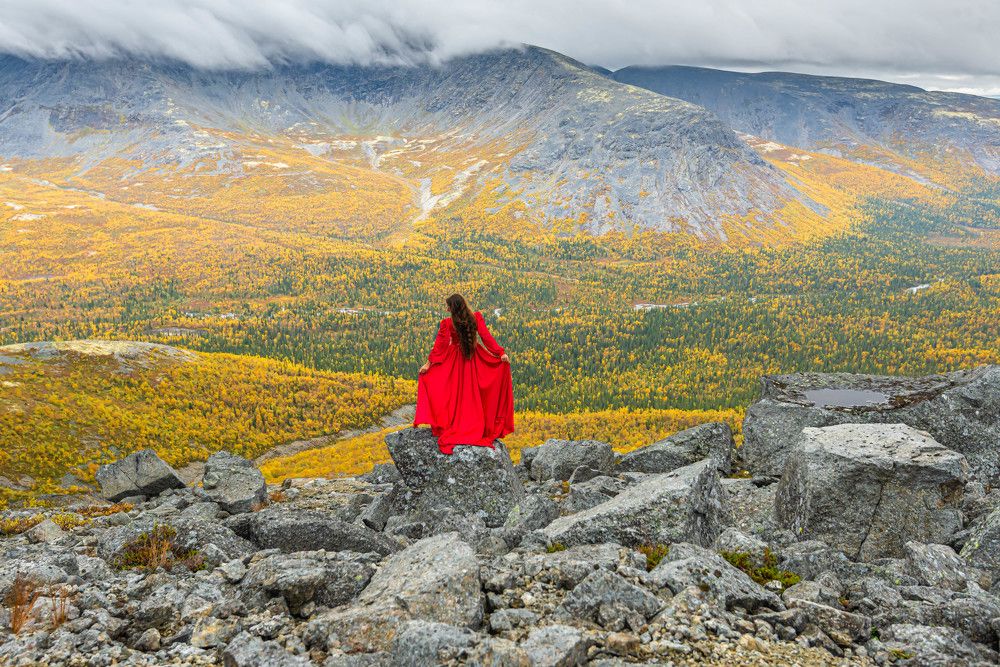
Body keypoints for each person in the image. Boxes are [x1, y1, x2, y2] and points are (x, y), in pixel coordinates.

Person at [414, 294, 514, 454]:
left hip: (454, 361)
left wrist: (428, 364)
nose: (446, 309)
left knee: (453, 394)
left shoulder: (447, 323)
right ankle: (475, 423)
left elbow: (439, 346)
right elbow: (486, 337)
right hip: (474, 358)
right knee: (473, 394)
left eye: (448, 306)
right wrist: (499, 353)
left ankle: (457, 423)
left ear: (453, 308)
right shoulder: (476, 318)